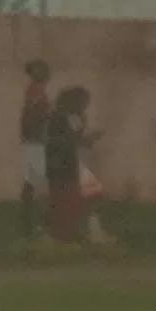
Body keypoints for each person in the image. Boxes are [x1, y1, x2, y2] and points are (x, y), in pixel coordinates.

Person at [39, 86, 96, 247]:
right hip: (58, 164)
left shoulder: (73, 119)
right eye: (82, 103)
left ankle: (68, 234)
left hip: (68, 163)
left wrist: (85, 137)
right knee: (61, 199)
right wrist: (79, 141)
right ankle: (61, 235)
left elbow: (75, 139)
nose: (84, 107)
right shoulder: (57, 119)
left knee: (71, 198)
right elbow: (59, 141)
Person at [18, 58, 51, 241]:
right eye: (42, 70)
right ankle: (37, 225)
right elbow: (32, 117)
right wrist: (39, 135)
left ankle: (29, 222)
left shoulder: (36, 91)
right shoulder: (35, 93)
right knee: (38, 183)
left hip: (34, 141)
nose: (47, 73)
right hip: (36, 142)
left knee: (32, 182)